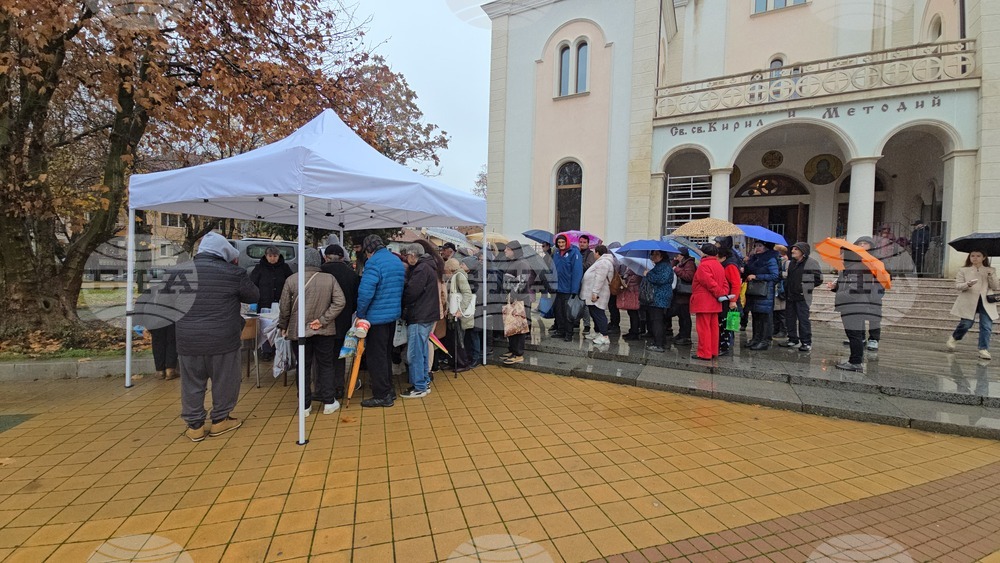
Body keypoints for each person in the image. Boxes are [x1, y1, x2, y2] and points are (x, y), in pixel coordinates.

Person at [173, 232, 259, 442]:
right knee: (225, 380)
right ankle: (220, 420)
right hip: (223, 338)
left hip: (188, 338)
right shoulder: (233, 272)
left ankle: (194, 426)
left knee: (191, 383)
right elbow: (253, 295)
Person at [278, 248, 346, 415]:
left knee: (303, 366)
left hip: (299, 330)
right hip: (324, 330)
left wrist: (283, 325)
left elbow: (284, 307)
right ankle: (329, 401)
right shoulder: (329, 279)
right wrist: (323, 320)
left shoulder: (292, 279)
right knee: (326, 365)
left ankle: (305, 405)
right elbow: (340, 302)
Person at [356, 235, 406, 408]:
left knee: (375, 358)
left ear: (369, 249)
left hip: (376, 318)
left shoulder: (373, 263)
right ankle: (389, 389)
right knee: (385, 355)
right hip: (392, 316)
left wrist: (361, 314)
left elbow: (365, 292)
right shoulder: (396, 261)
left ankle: (382, 395)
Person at [829, 245, 883, 372]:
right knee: (854, 335)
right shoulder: (850, 268)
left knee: (854, 335)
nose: (840, 256)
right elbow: (848, 287)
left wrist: (839, 295)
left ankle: (855, 362)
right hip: (851, 306)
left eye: (842, 253)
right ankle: (855, 360)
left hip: (853, 307)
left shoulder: (856, 268)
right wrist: (835, 287)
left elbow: (855, 290)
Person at [400, 244, 439, 398]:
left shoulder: (421, 268)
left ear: (413, 255)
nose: (406, 259)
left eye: (407, 256)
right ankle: (424, 382)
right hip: (427, 315)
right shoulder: (429, 266)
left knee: (415, 353)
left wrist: (402, 300)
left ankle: (419, 387)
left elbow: (411, 292)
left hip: (419, 315)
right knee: (421, 351)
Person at [321, 244, 359, 399]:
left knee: (323, 357)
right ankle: (339, 387)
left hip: (322, 321)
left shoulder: (320, 272)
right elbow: (356, 299)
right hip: (343, 320)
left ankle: (324, 388)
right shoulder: (351, 274)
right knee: (339, 356)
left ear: (325, 257)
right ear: (342, 257)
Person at [947, 251, 1000, 360]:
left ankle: (983, 349)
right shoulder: (963, 270)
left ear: (984, 257)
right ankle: (955, 337)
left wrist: (990, 275)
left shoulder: (990, 270)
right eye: (972, 256)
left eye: (978, 256)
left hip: (985, 301)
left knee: (986, 326)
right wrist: (968, 284)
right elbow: (958, 286)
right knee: (966, 324)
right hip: (968, 300)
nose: (975, 258)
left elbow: (995, 286)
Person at [839, 236, 884, 350]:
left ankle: (874, 339)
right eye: (860, 243)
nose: (862, 245)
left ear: (871, 245)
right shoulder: (855, 257)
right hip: (858, 291)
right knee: (859, 315)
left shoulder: (877, 258)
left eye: (865, 243)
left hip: (872, 291)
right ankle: (860, 337)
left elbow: (885, 274)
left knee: (874, 316)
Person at [249, 246, 293, 360]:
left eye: (275, 256)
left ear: (279, 256)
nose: (272, 258)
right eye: (270, 256)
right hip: (264, 303)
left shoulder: (285, 267)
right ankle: (267, 351)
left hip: (281, 302)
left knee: (280, 325)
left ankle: (280, 349)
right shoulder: (259, 268)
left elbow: (291, 282)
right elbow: (252, 284)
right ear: (266, 256)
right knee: (265, 327)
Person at [779, 243, 823, 352]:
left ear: (803, 251)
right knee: (790, 318)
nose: (792, 251)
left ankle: (806, 342)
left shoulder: (811, 263)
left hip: (803, 296)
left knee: (803, 320)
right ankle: (792, 339)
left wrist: (806, 287)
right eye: (792, 249)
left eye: (796, 249)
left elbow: (818, 279)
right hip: (791, 295)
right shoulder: (793, 263)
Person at [690, 244, 731, 361]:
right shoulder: (719, 265)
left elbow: (709, 283)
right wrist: (722, 294)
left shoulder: (703, 265)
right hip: (715, 302)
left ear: (704, 253)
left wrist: (719, 293)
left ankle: (704, 353)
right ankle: (713, 351)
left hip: (704, 301)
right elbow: (725, 283)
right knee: (713, 328)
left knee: (703, 328)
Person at [501, 240, 537, 363]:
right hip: (511, 299)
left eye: (508, 249)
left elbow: (522, 282)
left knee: (518, 327)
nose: (505, 251)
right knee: (511, 326)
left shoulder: (522, 263)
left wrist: (513, 296)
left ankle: (518, 353)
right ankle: (512, 349)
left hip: (519, 300)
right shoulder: (513, 262)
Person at [744, 241, 780, 350]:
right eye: (756, 246)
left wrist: (757, 276)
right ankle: (756, 338)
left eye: (760, 246)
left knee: (764, 318)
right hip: (755, 291)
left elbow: (775, 276)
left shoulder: (771, 259)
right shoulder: (754, 258)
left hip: (765, 292)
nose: (757, 248)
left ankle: (764, 340)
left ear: (766, 248)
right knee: (756, 316)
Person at [641, 250, 675, 352]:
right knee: (659, 320)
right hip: (657, 297)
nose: (654, 256)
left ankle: (658, 344)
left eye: (657, 254)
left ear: (662, 256)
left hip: (659, 297)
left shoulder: (665, 266)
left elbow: (661, 279)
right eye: (653, 254)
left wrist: (648, 274)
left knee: (657, 321)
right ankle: (661, 342)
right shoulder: (660, 266)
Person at [551, 234, 583, 342]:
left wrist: (574, 289)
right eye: (559, 242)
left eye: (563, 242)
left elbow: (577, 272)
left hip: (568, 289)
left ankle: (569, 333)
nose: (561, 244)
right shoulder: (556, 253)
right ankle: (561, 331)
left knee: (568, 313)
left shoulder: (574, 253)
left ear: (567, 242)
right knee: (559, 312)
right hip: (557, 288)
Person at [581, 244, 615, 346]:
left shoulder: (603, 262)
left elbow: (600, 278)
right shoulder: (602, 261)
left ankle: (604, 336)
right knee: (594, 312)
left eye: (594, 252)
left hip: (598, 294)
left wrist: (595, 292)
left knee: (599, 313)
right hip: (595, 293)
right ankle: (598, 332)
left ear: (597, 253)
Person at [444, 258, 474, 370]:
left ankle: (462, 363)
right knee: (452, 339)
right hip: (453, 313)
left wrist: (460, 310)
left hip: (458, 314)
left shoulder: (459, 276)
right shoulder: (455, 276)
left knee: (458, 340)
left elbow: (467, 294)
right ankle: (453, 362)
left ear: (449, 269)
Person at [716, 246, 743, 356]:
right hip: (726, 298)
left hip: (729, 299)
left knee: (727, 324)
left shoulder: (730, 266)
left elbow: (736, 284)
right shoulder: (725, 264)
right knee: (724, 324)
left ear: (723, 257)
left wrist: (733, 300)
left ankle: (726, 346)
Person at [670, 248, 697, 345]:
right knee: (681, 315)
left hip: (685, 294)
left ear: (682, 255)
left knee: (685, 316)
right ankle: (682, 334)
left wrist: (677, 269)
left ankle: (686, 336)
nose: (676, 257)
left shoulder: (689, 263)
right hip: (679, 294)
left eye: (677, 255)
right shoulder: (680, 263)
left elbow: (689, 276)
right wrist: (674, 263)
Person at [578, 235, 597, 334]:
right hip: (577, 281)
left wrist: (577, 265)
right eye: (581, 242)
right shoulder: (577, 252)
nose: (582, 244)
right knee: (577, 303)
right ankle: (576, 322)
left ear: (588, 243)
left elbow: (589, 266)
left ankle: (587, 325)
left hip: (586, 282)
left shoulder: (590, 254)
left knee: (585, 304)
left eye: (584, 242)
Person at [619, 268, 645, 340]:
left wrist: (626, 279)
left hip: (634, 293)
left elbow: (634, 280)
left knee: (634, 314)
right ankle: (632, 330)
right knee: (631, 313)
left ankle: (634, 332)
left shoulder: (638, 270)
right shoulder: (632, 269)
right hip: (631, 293)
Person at [772, 245, 789, 339]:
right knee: (776, 312)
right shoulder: (776, 261)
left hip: (781, 290)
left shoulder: (786, 262)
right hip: (776, 289)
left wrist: (780, 273)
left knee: (782, 312)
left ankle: (783, 330)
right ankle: (776, 329)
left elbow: (788, 274)